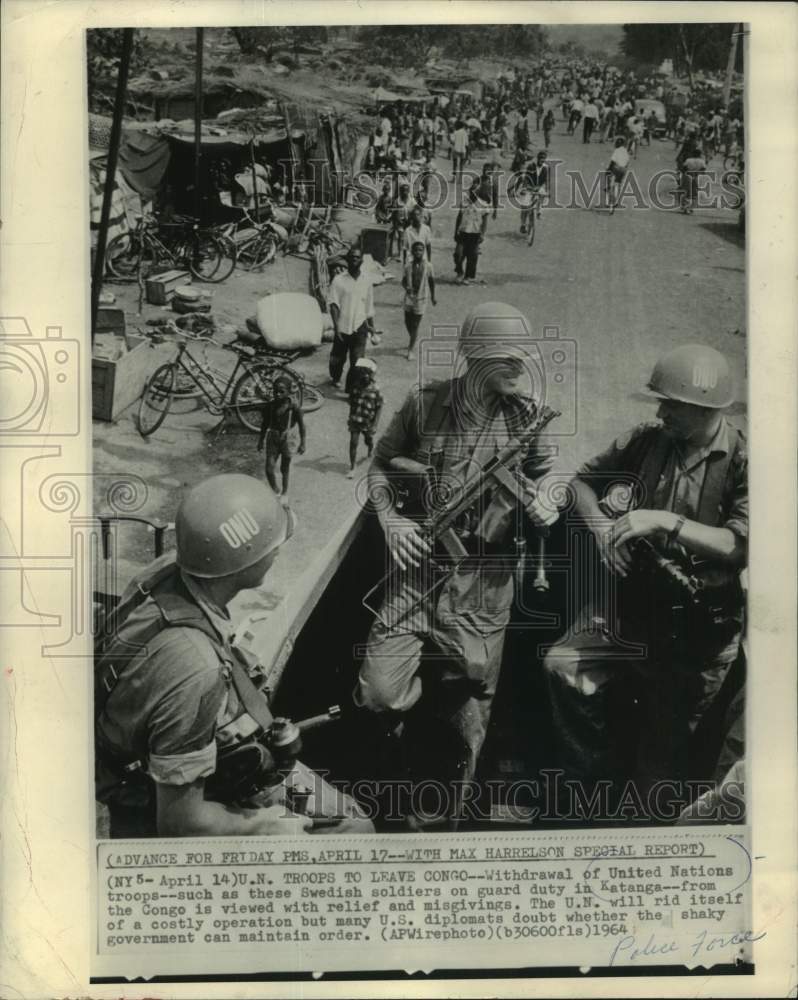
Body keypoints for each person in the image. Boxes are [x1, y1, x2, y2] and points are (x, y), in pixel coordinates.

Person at [355, 303, 557, 821]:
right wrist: (392, 522)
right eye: (507, 359)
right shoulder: (424, 404)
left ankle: (444, 819)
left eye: (522, 359)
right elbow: (379, 466)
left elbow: (549, 482)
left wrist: (543, 502)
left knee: (467, 722)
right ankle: (396, 789)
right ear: (475, 358)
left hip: (484, 586)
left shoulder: (529, 419)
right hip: (417, 574)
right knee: (378, 695)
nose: (520, 368)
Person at [95, 474, 374, 838]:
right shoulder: (197, 670)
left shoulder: (165, 571)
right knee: (354, 827)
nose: (277, 550)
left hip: (152, 743)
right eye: (270, 545)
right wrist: (263, 826)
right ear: (244, 561)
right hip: (171, 787)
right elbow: (181, 821)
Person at [543, 344, 746, 816]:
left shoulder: (741, 462)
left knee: (660, 768)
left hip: (698, 631)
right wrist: (598, 530)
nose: (660, 412)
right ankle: (593, 781)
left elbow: (741, 545)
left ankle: (640, 810)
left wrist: (664, 522)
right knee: (561, 666)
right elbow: (580, 484)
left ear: (704, 409)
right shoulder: (647, 441)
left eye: (670, 404)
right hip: (635, 608)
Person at [328, 246, 376, 393]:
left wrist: (371, 327)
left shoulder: (367, 280)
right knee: (337, 359)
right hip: (342, 327)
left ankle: (351, 390)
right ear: (347, 260)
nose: (354, 259)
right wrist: (336, 328)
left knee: (357, 360)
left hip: (360, 326)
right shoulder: (338, 280)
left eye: (357, 257)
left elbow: (368, 306)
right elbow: (334, 304)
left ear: (362, 260)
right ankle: (335, 377)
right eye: (352, 257)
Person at [256, 375, 306, 497]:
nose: (278, 394)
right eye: (275, 391)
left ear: (289, 392)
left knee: (285, 468)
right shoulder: (270, 406)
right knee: (269, 469)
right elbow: (265, 424)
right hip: (273, 438)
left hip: (288, 439)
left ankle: (285, 491)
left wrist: (303, 442)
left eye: (281, 392)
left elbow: (301, 425)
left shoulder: (294, 408)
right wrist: (261, 440)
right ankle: (276, 491)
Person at [346, 358, 384, 478]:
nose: (365, 376)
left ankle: (370, 449)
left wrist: (375, 424)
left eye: (367, 373)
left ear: (372, 374)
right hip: (355, 420)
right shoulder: (355, 386)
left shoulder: (375, 389)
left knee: (368, 439)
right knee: (353, 443)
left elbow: (379, 407)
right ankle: (352, 467)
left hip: (368, 421)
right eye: (362, 372)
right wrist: (351, 415)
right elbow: (352, 401)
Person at [401, 238, 436, 360]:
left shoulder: (428, 266)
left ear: (424, 252)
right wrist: (407, 288)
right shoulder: (408, 266)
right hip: (410, 298)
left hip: (421, 298)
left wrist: (433, 296)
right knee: (407, 321)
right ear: (412, 252)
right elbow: (403, 281)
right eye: (415, 250)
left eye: (420, 250)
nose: (418, 253)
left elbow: (431, 282)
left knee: (415, 324)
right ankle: (413, 338)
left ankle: (411, 349)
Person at [453, 182, 489, 285]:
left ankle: (468, 276)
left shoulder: (483, 205)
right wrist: (455, 231)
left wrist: (482, 234)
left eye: (476, 191)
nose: (474, 193)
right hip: (463, 232)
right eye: (472, 190)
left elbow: (485, 221)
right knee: (458, 254)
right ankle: (459, 272)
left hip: (475, 232)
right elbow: (459, 217)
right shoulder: (464, 202)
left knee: (472, 255)